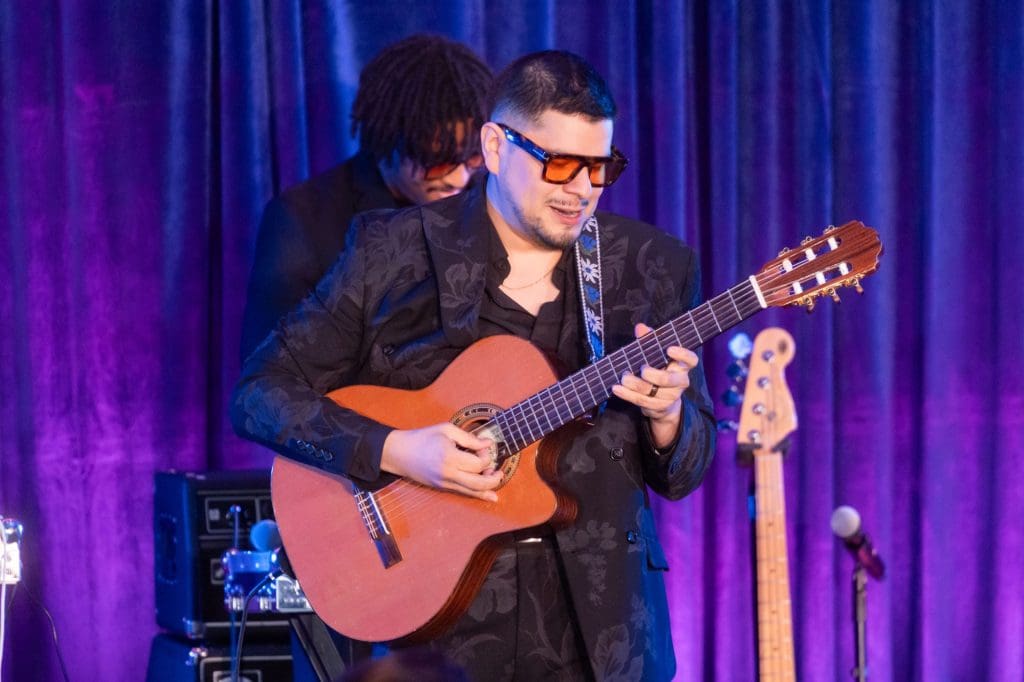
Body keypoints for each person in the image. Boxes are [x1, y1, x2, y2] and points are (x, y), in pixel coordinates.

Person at [232, 50, 715, 681]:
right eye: (559, 164)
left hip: (605, 637)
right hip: (435, 631)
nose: (581, 190)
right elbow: (259, 394)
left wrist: (669, 418)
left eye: (600, 168)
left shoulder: (652, 268)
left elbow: (686, 471)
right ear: (494, 146)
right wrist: (397, 449)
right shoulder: (391, 252)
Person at [240, 34, 493, 360]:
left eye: (473, 158)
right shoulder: (302, 221)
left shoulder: (483, 203)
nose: (459, 179)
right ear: (390, 139)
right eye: (439, 162)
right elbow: (268, 369)